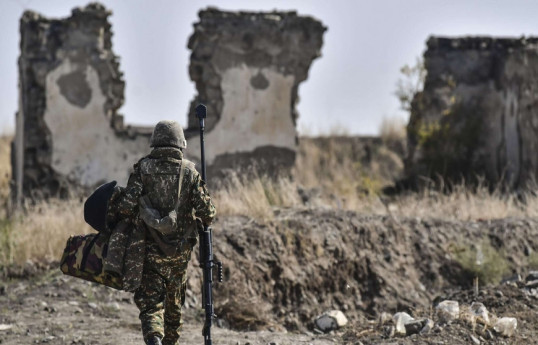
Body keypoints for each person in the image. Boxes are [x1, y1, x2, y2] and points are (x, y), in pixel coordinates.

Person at [115, 120, 216, 345]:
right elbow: (208, 213)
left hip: (149, 253)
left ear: (155, 143)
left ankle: (154, 340)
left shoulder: (143, 168)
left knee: (151, 306)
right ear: (180, 144)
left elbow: (125, 207)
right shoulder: (189, 171)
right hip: (178, 255)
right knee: (173, 309)